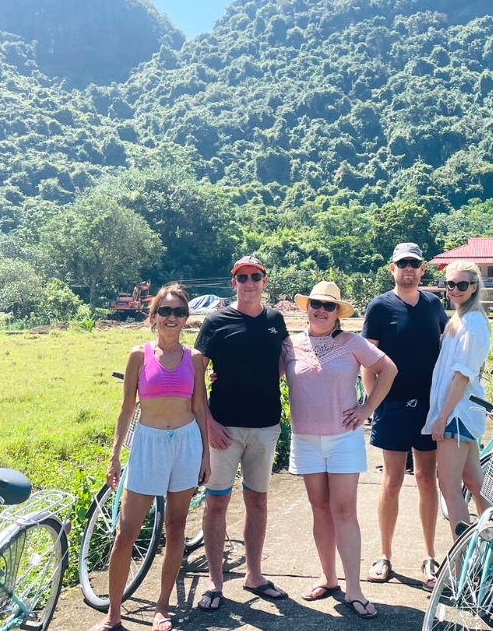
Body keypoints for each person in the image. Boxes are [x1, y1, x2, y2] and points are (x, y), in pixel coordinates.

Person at [91, 284, 210, 631]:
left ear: (186, 318)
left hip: (185, 444)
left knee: (176, 527)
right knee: (126, 532)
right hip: (148, 444)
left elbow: (199, 407)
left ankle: (162, 607)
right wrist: (115, 455)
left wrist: (206, 455)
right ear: (154, 315)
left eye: (178, 312)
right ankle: (113, 613)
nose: (171, 317)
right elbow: (127, 408)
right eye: (165, 311)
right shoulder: (139, 355)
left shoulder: (195, 359)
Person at [285, 281, 398, 620]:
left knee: (345, 511)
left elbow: (388, 370)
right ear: (307, 307)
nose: (321, 310)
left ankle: (354, 589)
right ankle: (328, 577)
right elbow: (261, 375)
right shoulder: (289, 345)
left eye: (329, 306)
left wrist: (367, 408)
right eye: (316, 304)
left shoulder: (352, 342)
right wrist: (220, 377)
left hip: (344, 440)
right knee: (320, 509)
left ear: (338, 313)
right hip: (305, 440)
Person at [193, 256, 290, 611]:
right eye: (243, 277)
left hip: (265, 427)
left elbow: (286, 359)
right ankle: (215, 582)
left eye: (255, 276)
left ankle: (254, 575)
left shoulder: (275, 320)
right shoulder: (216, 321)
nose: (250, 283)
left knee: (258, 501)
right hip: (224, 428)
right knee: (217, 502)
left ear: (265, 281)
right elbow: (195, 375)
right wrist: (209, 423)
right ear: (233, 283)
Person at [361, 243, 448, 591]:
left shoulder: (434, 305)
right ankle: (384, 554)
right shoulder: (380, 306)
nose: (408, 268)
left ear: (422, 269)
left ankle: (429, 555)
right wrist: (374, 403)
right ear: (392, 268)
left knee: (427, 479)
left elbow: (450, 345)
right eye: (402, 264)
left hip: (429, 407)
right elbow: (368, 359)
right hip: (392, 407)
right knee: (392, 479)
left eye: (413, 263)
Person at [425, 261, 492, 544]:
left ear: (474, 287)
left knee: (449, 488)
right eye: (449, 284)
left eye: (461, 284)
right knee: (475, 483)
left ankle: (461, 557)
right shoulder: (462, 318)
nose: (454, 289)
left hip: (456, 415)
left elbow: (462, 376)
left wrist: (441, 417)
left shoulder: (473, 322)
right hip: (461, 413)